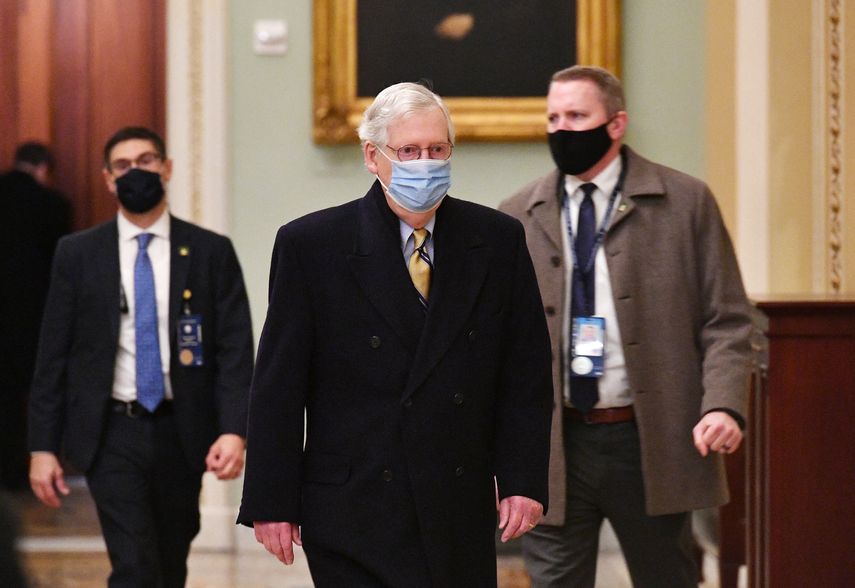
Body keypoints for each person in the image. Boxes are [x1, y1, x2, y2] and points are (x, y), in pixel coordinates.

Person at [238, 82, 553, 587]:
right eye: (408, 151)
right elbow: (278, 384)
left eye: (437, 150)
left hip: (457, 498)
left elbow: (526, 376)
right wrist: (271, 499)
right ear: (373, 156)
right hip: (352, 502)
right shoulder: (312, 245)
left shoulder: (496, 239)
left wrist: (522, 480)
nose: (424, 163)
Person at [498, 66, 753, 587]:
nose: (562, 129)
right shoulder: (518, 215)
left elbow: (727, 319)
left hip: (650, 438)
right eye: (553, 117)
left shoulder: (685, 203)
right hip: (553, 443)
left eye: (577, 115)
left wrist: (723, 404)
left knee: (668, 577)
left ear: (616, 124)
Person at [27, 127, 254, 588]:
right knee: (134, 565)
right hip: (112, 430)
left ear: (167, 168)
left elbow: (235, 350)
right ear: (109, 179)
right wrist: (41, 447)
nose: (137, 172)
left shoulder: (211, 251)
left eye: (147, 161)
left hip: (183, 430)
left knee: (169, 562)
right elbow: (54, 353)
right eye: (124, 165)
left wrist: (235, 430)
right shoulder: (78, 254)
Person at [0, 142, 71, 491]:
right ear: (43, 168)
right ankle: (40, 469)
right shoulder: (53, 205)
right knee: (43, 391)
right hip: (36, 317)